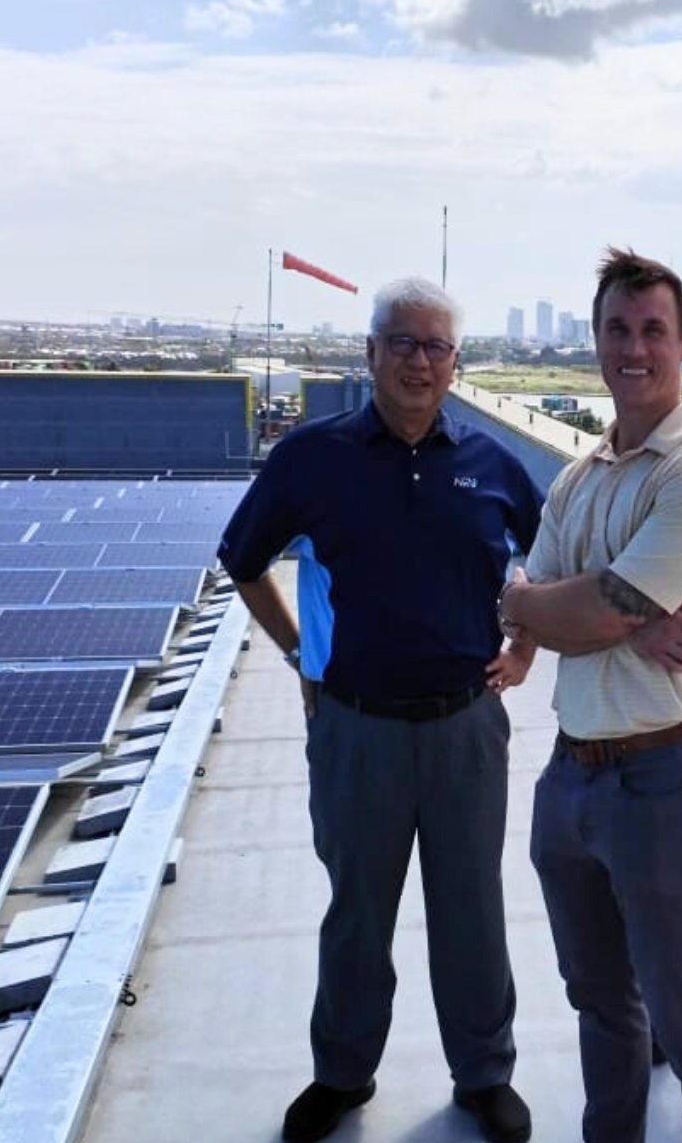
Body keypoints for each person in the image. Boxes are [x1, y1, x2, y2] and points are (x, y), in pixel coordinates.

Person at [218, 276, 542, 1143]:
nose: (418, 361)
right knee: (357, 913)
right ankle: (342, 1073)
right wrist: (299, 653)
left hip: (467, 725)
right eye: (402, 341)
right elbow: (242, 559)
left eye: (436, 346)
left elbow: (551, 560)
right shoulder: (312, 458)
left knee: (472, 910)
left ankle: (484, 1073)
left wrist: (524, 647)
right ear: (370, 353)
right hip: (355, 727)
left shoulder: (490, 465)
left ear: (455, 363)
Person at [499, 250, 682, 1143]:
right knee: (602, 1006)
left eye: (654, 330)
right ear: (597, 340)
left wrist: (593, 609)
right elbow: (527, 594)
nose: (634, 348)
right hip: (572, 774)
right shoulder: (583, 475)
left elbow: (572, 605)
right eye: (618, 329)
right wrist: (622, 617)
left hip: (672, 779)